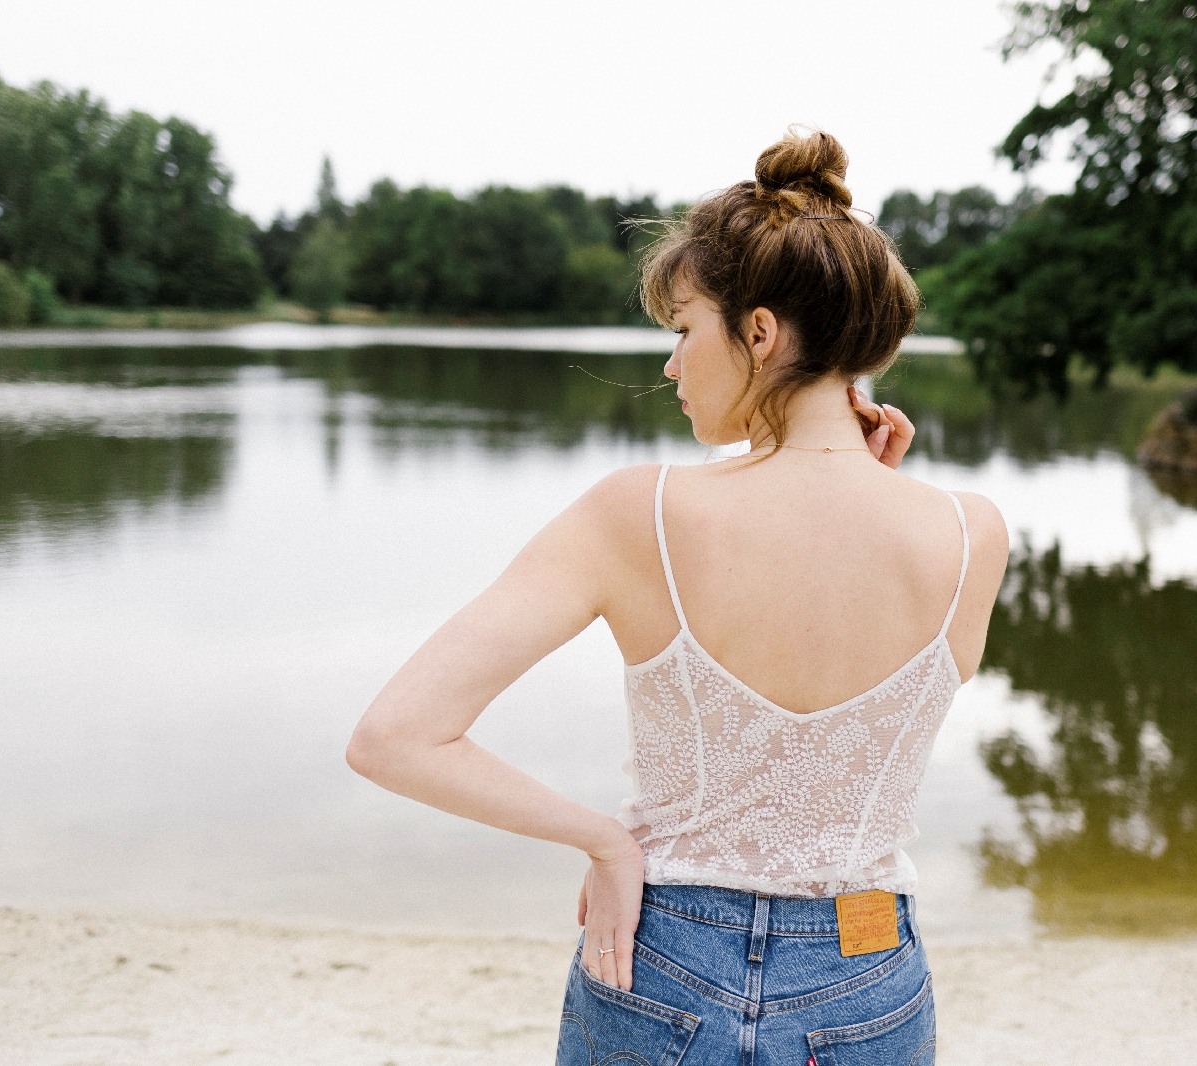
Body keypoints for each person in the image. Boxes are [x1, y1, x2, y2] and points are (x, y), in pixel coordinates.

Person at [346, 127, 1009, 1066]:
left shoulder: (640, 515)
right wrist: (867, 486)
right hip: (867, 968)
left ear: (761, 332)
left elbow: (393, 737)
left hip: (657, 963)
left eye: (682, 329)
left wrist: (607, 845)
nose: (670, 365)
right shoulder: (973, 533)